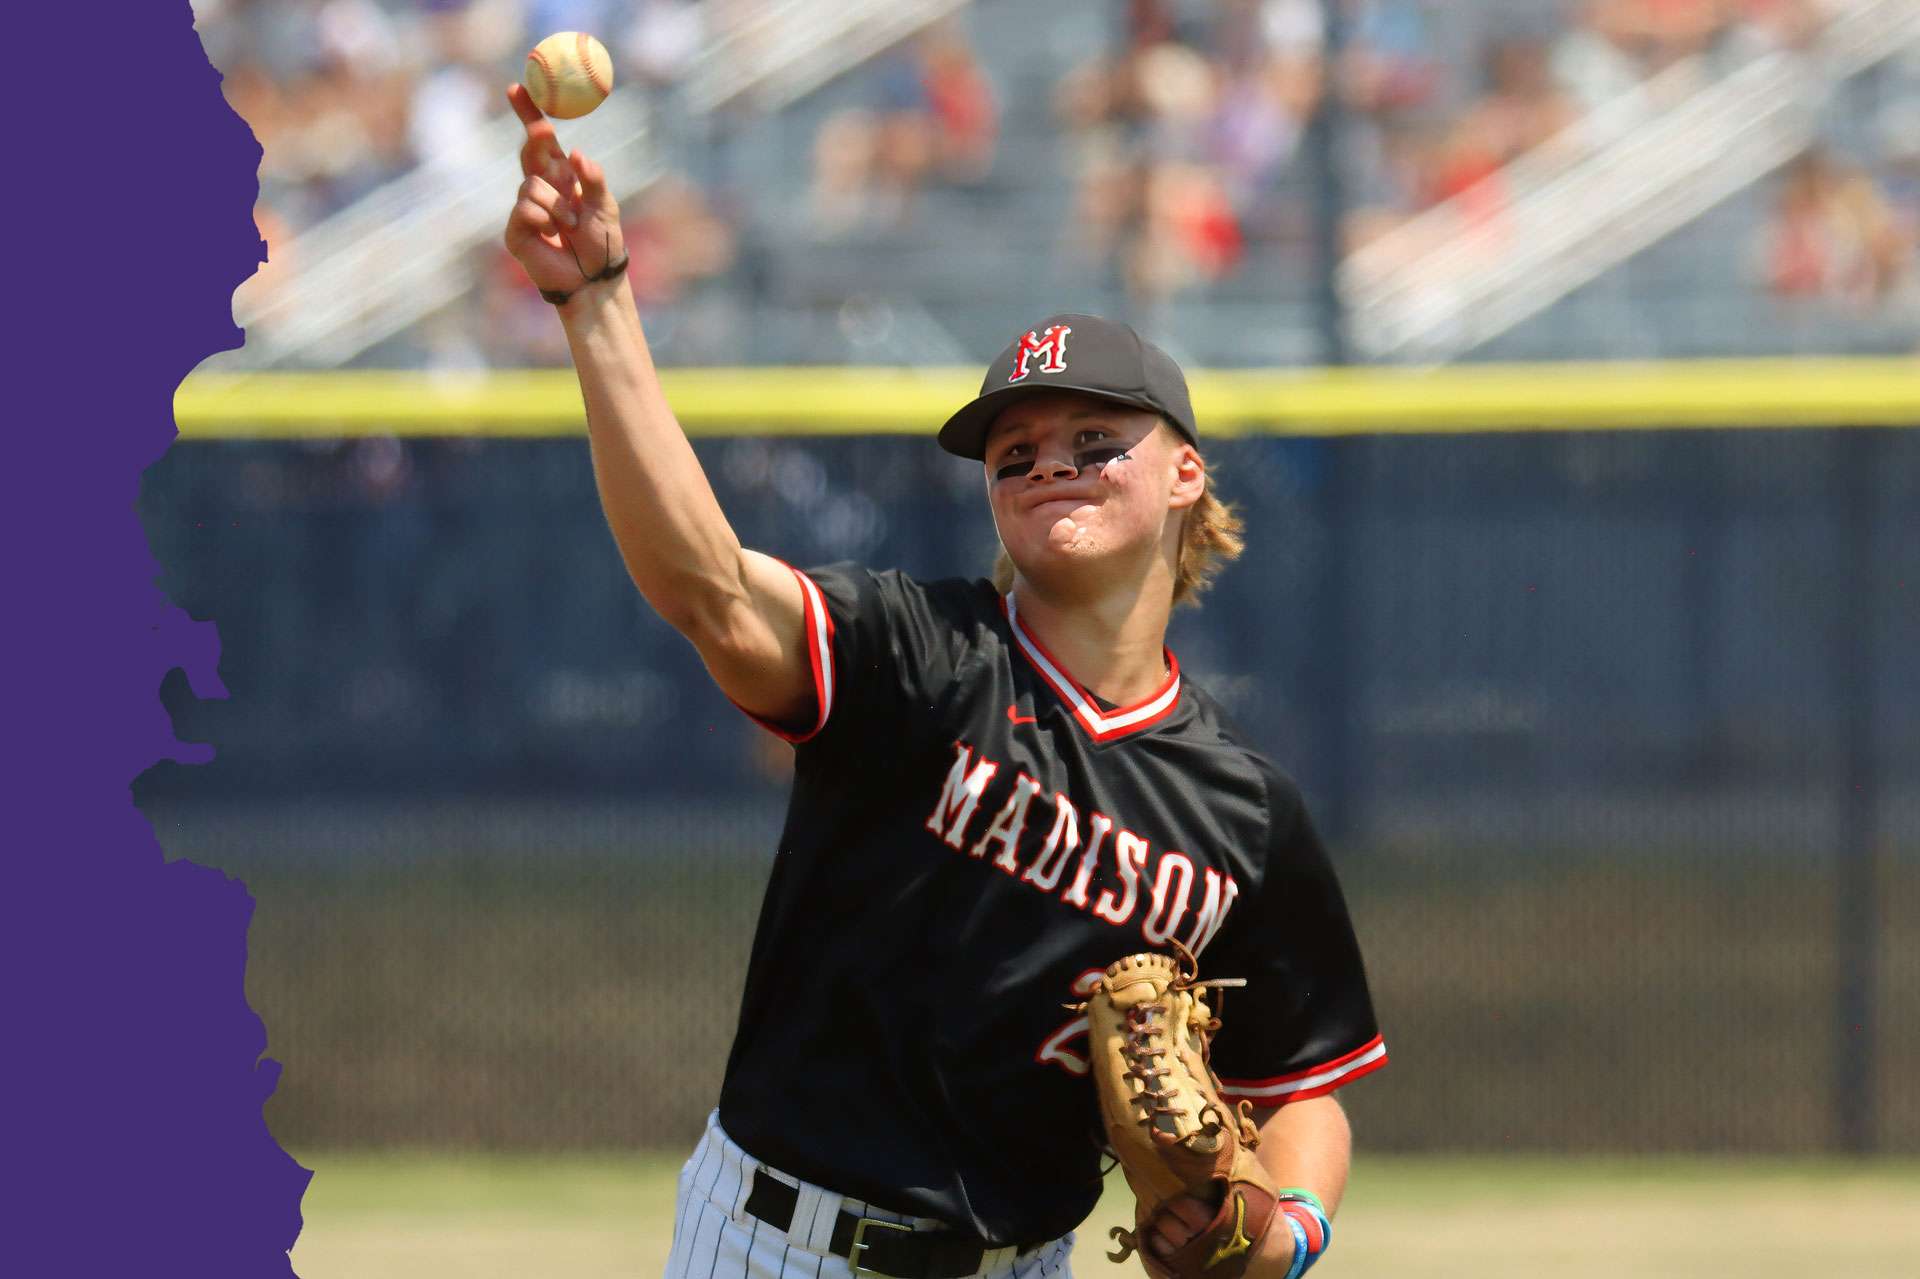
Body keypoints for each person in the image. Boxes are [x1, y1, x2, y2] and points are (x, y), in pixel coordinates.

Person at [502, 84, 1386, 1279]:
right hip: (785, 1245)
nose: (1047, 465)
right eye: (1014, 453)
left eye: (1092, 440)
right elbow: (707, 586)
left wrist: (1287, 1232)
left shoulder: (1245, 812)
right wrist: (597, 302)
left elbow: (1307, 1087)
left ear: (1185, 474)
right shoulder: (914, 657)